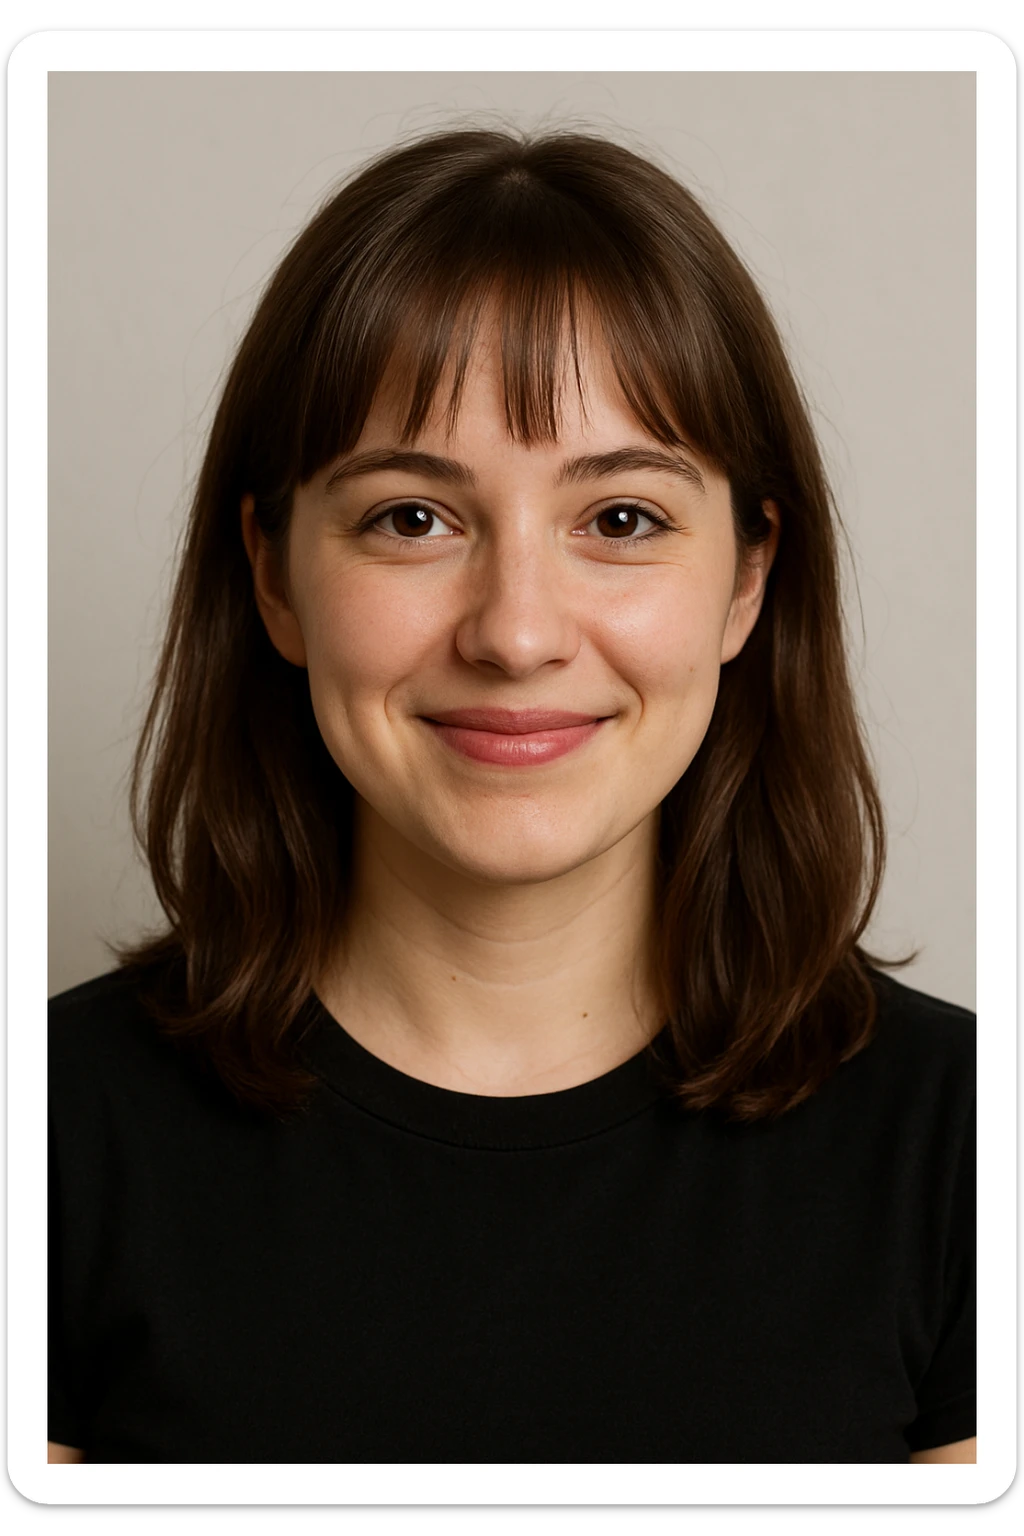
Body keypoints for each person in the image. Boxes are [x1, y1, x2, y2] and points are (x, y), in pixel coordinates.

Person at [47, 127, 975, 1465]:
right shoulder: (53, 1137)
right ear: (272, 575)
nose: (518, 632)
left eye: (622, 520)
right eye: (413, 518)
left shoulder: (962, 1151)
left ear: (748, 579)